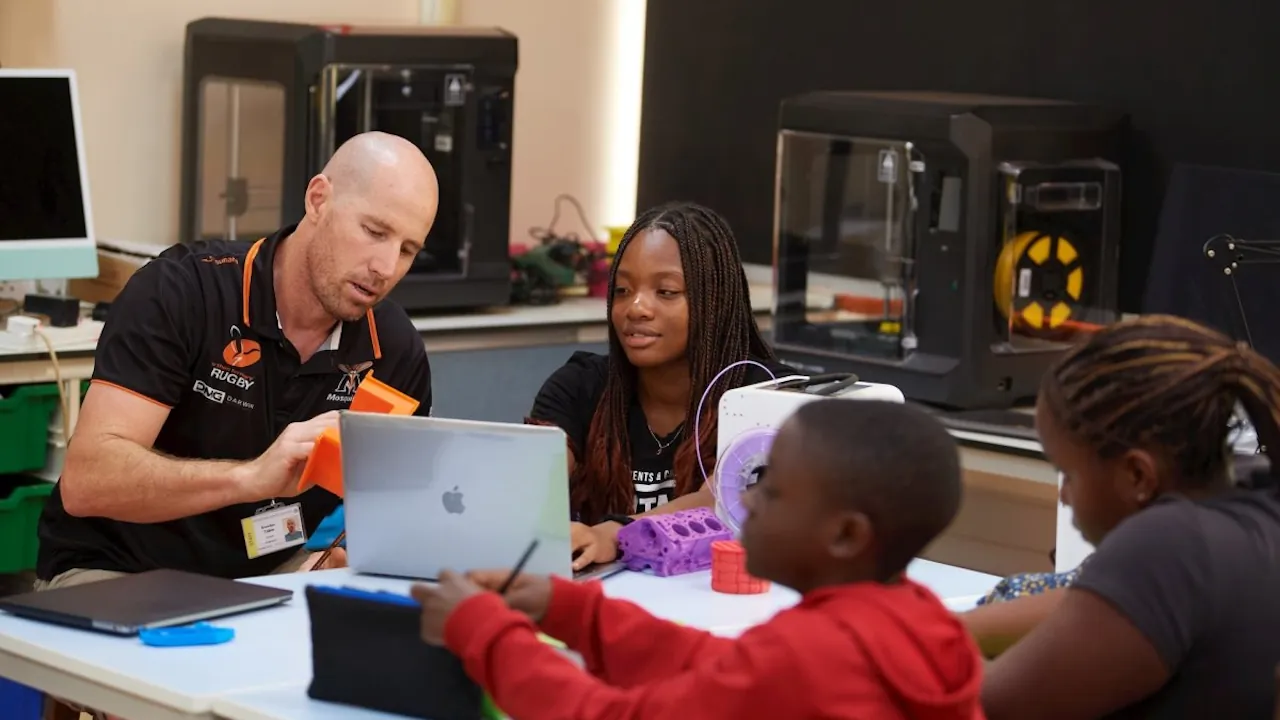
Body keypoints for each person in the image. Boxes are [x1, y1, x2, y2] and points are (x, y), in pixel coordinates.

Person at [35, 131, 438, 589]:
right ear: (319, 199)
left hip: (269, 575)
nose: (386, 267)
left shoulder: (395, 350)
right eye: (374, 231)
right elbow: (89, 482)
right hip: (117, 570)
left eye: (407, 250)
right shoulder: (182, 291)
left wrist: (339, 558)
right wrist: (251, 478)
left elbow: (394, 509)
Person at [410, 399, 985, 720]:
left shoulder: (806, 656)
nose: (747, 498)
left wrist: (483, 632)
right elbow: (720, 671)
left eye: (773, 488)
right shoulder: (923, 621)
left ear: (844, 535)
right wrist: (572, 611)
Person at [969, 315, 1280, 719]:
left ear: (1137, 476)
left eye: (1068, 473)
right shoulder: (1251, 491)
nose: (1063, 495)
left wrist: (898, 642)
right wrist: (961, 627)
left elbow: (988, 704)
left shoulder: (1174, 543)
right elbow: (1120, 602)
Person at [527, 201, 792, 570]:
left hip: (720, 599)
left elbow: (718, 500)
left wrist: (614, 535)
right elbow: (528, 479)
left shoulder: (765, 396)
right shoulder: (580, 385)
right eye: (621, 290)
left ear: (713, 302)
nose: (635, 307)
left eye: (666, 292)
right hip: (604, 597)